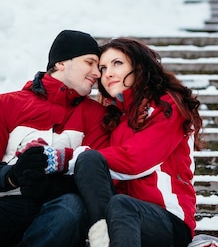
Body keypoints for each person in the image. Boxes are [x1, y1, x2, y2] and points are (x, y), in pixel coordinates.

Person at [0, 29, 109, 247]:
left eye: (98, 67)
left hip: (60, 208)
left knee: (70, 209)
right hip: (8, 203)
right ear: (61, 63)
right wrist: (13, 174)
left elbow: (99, 174)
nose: (97, 74)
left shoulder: (97, 115)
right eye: (90, 63)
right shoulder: (5, 105)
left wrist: (51, 187)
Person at [72, 37, 204, 247]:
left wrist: (73, 157)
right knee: (89, 166)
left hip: (168, 219)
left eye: (117, 63)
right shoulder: (114, 118)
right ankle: (100, 237)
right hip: (120, 217)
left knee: (120, 202)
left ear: (139, 67)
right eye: (103, 68)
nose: (108, 74)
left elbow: (136, 161)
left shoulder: (168, 104)